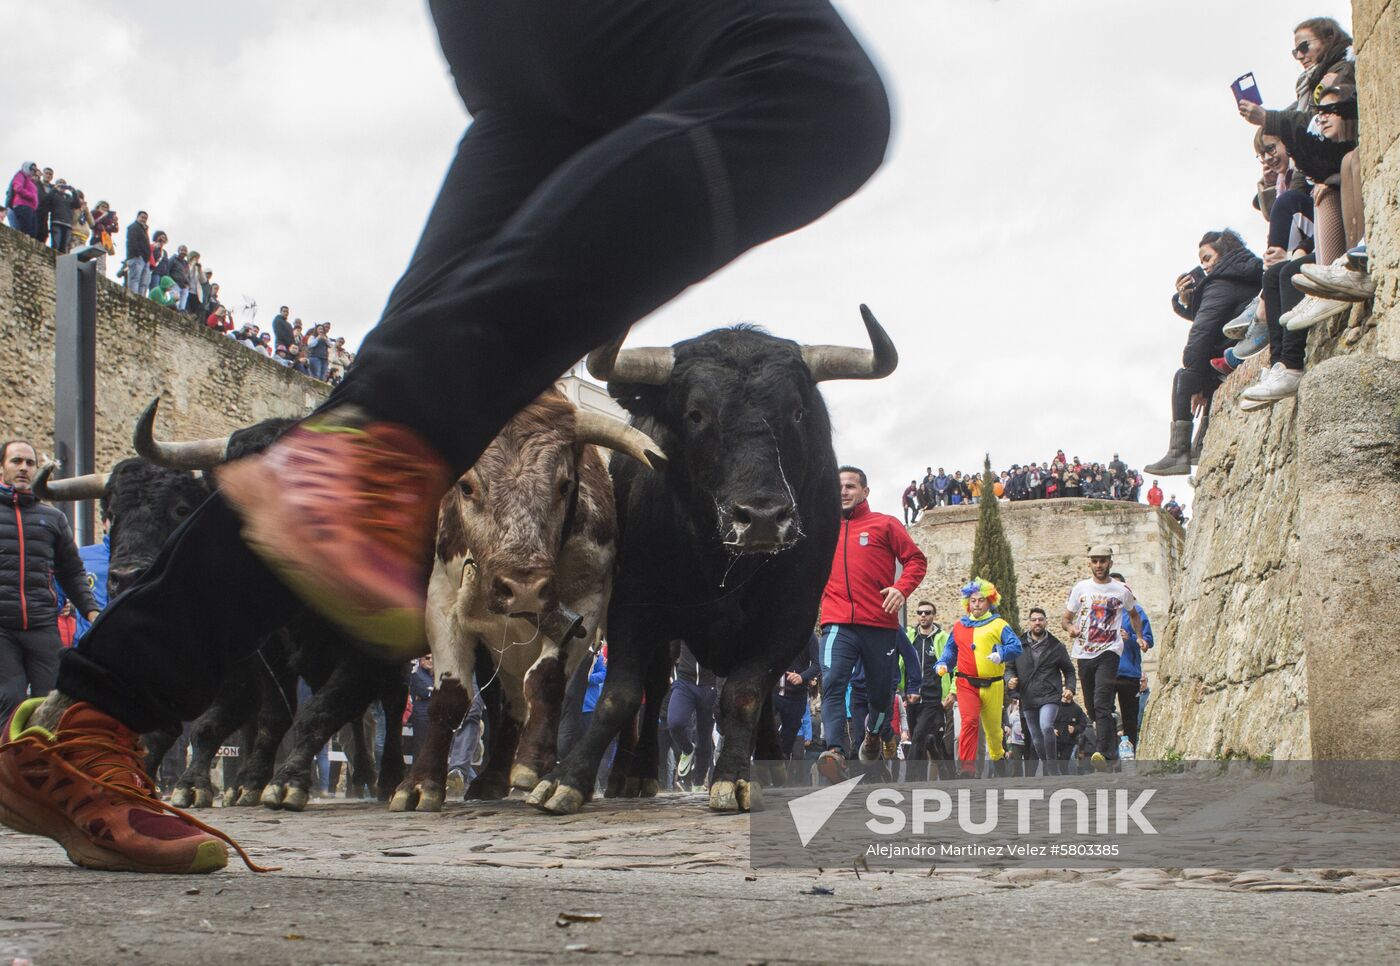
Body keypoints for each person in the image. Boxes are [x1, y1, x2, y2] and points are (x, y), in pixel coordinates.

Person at [1, 0, 890, 874]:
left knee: (402, 392)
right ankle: (378, 442)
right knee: (817, 90)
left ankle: (90, 717)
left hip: (540, 64)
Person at [817, 466, 926, 780]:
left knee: (879, 696)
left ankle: (874, 734)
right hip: (837, 622)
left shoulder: (885, 524)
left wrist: (901, 588)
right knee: (833, 682)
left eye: (851, 486)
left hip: (879, 624)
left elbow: (916, 560)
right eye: (838, 486)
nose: (843, 491)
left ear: (865, 491)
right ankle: (835, 751)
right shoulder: (823, 529)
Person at [1144, 230, 1261, 476]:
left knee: (1185, 376)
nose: (1204, 266)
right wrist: (1187, 301)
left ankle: (1179, 453)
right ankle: (1198, 445)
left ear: (1223, 253)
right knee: (1194, 372)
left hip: (1230, 359)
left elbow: (1202, 332)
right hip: (1238, 349)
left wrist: (1196, 377)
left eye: (1207, 258)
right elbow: (1218, 316)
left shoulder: (1221, 282)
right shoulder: (1242, 273)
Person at [0, 441, 100, 723]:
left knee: (53, 701)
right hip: (2, 628)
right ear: (2, 467)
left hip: (42, 624)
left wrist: (91, 611)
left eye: (30, 463)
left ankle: (43, 751)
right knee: (10, 697)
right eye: (16, 461)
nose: (23, 468)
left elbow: (72, 572)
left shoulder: (53, 518)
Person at [1062, 546, 1143, 771]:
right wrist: (1070, 628)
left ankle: (1104, 753)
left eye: (1103, 561)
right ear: (1089, 563)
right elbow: (1066, 619)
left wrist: (1138, 637)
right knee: (1092, 707)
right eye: (1095, 561)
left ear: (1110, 563)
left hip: (1109, 652)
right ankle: (1109, 748)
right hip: (1084, 652)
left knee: (1102, 702)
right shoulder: (1080, 588)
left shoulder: (1121, 590)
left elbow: (1134, 614)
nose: (1099, 565)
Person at [934, 579, 1022, 777]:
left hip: (993, 685)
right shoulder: (959, 626)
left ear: (990, 601)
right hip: (966, 683)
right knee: (969, 722)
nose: (976, 604)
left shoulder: (999, 625)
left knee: (993, 730)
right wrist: (943, 663)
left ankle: (998, 758)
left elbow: (1016, 647)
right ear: (967, 603)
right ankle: (967, 768)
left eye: (981, 600)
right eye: (973, 601)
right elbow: (950, 651)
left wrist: (1001, 653)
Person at [1004, 606, 1074, 775]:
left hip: (1050, 694)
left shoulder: (1056, 646)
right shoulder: (1018, 645)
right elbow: (1009, 668)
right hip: (1028, 696)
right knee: (1036, 738)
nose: (1037, 622)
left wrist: (1070, 688)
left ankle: (1052, 768)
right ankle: (1051, 770)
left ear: (1046, 622)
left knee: (1046, 726)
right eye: (1034, 620)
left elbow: (1069, 670)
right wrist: (1010, 679)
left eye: (1041, 619)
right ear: (1029, 622)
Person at [905, 601, 952, 779]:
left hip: (933, 698)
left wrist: (952, 691)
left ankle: (910, 779)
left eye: (927, 612)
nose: (923, 615)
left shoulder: (943, 638)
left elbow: (954, 665)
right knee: (921, 740)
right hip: (912, 697)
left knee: (918, 736)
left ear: (934, 615)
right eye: (920, 612)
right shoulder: (910, 637)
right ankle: (942, 774)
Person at [1110, 572, 1152, 753]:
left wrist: (1131, 637)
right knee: (1104, 715)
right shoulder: (1101, 613)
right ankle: (1109, 756)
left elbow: (1147, 641)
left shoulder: (1137, 612)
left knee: (1130, 719)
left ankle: (1131, 755)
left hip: (1128, 673)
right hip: (1106, 671)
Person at [667, 641, 720, 788]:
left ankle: (698, 782)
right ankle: (687, 749)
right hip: (685, 681)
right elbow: (673, 647)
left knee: (704, 736)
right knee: (675, 723)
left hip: (709, 685)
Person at [5, 162, 41, 238]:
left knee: (33, 233)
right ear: (27, 167)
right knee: (25, 231)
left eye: (35, 170)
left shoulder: (30, 181)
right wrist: (31, 196)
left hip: (31, 208)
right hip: (23, 206)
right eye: (32, 169)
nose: (33, 172)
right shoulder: (20, 175)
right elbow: (18, 188)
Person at [124, 211, 152, 296]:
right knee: (135, 279)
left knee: (143, 282)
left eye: (145, 218)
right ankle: (133, 296)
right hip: (137, 257)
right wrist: (138, 254)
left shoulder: (144, 230)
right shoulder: (133, 227)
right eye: (142, 217)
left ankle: (141, 297)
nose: (144, 219)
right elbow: (132, 242)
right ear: (137, 217)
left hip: (145, 259)